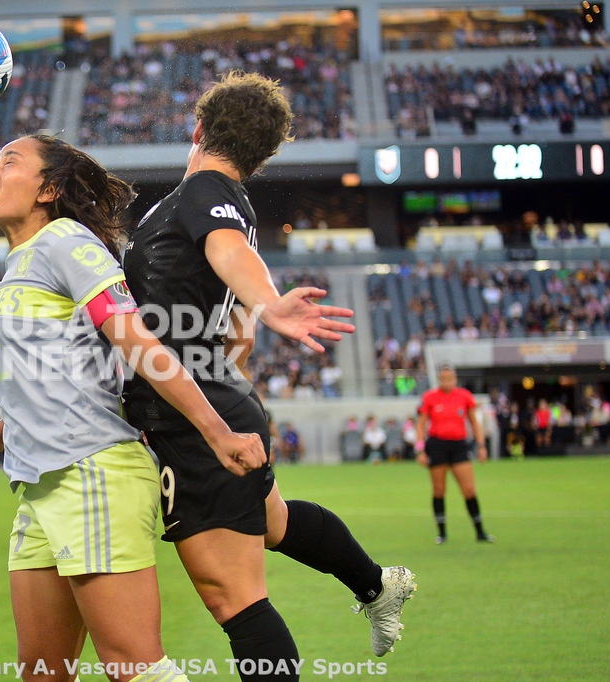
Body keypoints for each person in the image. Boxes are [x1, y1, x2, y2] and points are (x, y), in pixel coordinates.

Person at [122, 72, 415, 679]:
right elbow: (232, 315)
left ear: (198, 129)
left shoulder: (205, 191)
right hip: (213, 392)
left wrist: (268, 300)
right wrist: (247, 319)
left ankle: (375, 586)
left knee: (233, 596)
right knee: (276, 524)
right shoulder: (224, 202)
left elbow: (231, 254)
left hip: (196, 410)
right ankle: (376, 584)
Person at [0, 134, 267, 682]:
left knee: (134, 669)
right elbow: (65, 374)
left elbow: (139, 345)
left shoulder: (67, 243)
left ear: (49, 190)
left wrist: (217, 431)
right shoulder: (21, 264)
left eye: (8, 163)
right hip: (40, 484)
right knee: (41, 674)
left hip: (92, 475)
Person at [415, 364, 493, 544]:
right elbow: (421, 425)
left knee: (469, 489)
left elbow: (474, 423)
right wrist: (420, 449)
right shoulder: (430, 398)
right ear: (439, 379)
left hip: (459, 446)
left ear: (455, 379)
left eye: (449, 378)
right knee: (439, 490)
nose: (446, 382)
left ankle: (480, 531)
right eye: (443, 378)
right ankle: (442, 534)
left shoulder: (464, 396)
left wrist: (481, 445)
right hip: (437, 445)